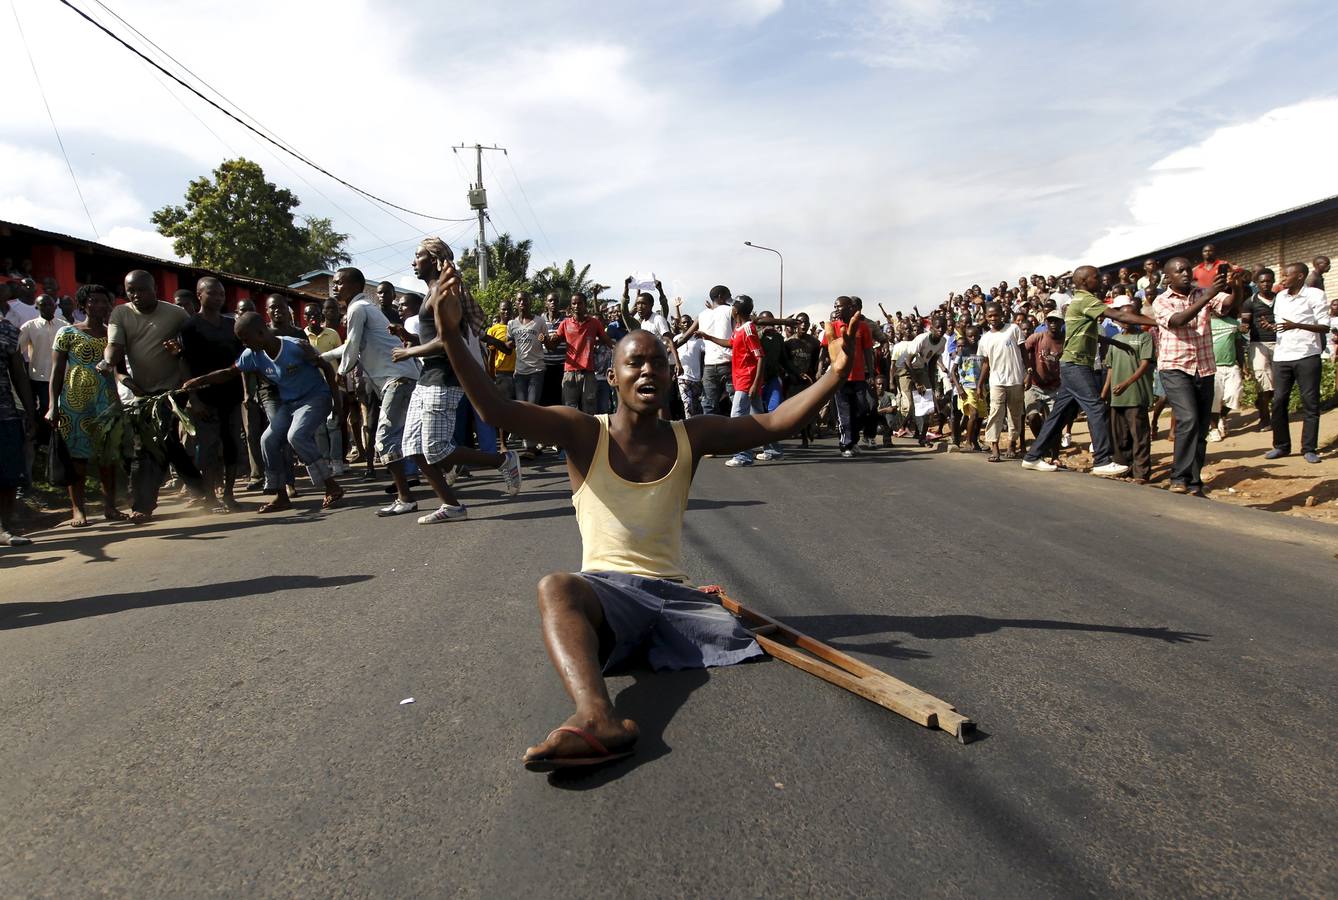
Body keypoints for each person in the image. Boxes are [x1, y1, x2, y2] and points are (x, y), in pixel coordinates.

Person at [424, 255, 864, 770]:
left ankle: (606, 702)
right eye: (635, 362)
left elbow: (771, 425)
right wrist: (452, 336)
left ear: (671, 374)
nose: (648, 370)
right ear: (613, 378)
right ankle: (595, 716)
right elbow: (496, 412)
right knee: (556, 587)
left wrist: (836, 374)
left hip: (677, 603)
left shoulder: (691, 436)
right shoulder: (583, 431)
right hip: (610, 598)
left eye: (659, 362)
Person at [389, 237, 522, 523]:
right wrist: (409, 338)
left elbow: (448, 340)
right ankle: (451, 506)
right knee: (413, 449)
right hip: (428, 378)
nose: (413, 262)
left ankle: (503, 460)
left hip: (445, 380)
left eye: (418, 256)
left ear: (434, 260)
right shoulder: (430, 293)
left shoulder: (443, 293)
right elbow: (431, 336)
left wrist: (409, 351)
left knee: (437, 449)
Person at [181, 312, 345, 512]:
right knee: (268, 440)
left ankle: (331, 486)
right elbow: (229, 373)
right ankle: (280, 496)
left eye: (245, 339)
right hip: (289, 403)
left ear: (260, 332)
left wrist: (337, 404)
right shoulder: (252, 354)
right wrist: (199, 381)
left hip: (315, 398)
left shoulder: (295, 346)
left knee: (296, 436)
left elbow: (327, 368)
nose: (244, 344)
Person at [1021, 265, 1154, 477]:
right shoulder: (1086, 299)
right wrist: (1159, 321)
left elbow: (1087, 333)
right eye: (1096, 277)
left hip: (1071, 365)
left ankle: (1032, 456)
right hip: (1076, 365)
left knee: (1058, 415)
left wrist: (1117, 344)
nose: (1101, 280)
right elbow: (1121, 316)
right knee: (1096, 408)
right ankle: (1102, 460)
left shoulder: (1081, 301)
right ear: (1084, 280)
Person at [101, 269, 202, 522]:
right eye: (130, 291)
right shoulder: (121, 313)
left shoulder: (175, 313)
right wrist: (110, 365)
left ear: (154, 288)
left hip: (173, 389)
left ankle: (143, 505)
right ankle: (201, 489)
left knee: (156, 442)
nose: (135, 295)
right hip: (142, 392)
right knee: (163, 444)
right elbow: (114, 349)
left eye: (141, 289)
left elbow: (192, 343)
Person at [329, 267, 422, 516]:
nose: (335, 287)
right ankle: (445, 469)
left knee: (384, 438)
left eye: (339, 283)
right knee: (405, 439)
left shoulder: (358, 309)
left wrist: (340, 373)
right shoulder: (363, 308)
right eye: (334, 283)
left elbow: (351, 350)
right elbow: (350, 346)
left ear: (355, 286)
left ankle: (406, 498)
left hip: (397, 379)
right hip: (400, 378)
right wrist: (320, 357)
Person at [1151, 258, 1240, 494]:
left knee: (1200, 426)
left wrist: (1236, 286)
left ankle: (1193, 479)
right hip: (1175, 367)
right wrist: (1208, 296)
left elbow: (1228, 305)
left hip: (1205, 367)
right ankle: (1178, 477)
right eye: (1179, 270)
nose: (1185, 273)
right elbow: (1179, 321)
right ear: (1168, 277)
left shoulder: (1203, 292)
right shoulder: (1161, 301)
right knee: (1188, 419)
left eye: (1188, 269)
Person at [46, 285, 124, 526]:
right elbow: (57, 372)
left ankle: (110, 506)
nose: (101, 305)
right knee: (77, 459)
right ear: (83, 305)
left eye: (105, 301)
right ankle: (78, 510)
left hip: (106, 401)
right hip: (73, 404)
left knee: (107, 457)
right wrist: (52, 405)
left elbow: (119, 371)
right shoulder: (67, 332)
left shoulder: (114, 335)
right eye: (95, 301)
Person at [177, 277, 244, 512]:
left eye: (221, 295)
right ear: (199, 295)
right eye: (212, 293)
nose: (218, 298)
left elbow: (241, 361)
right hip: (204, 399)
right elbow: (184, 364)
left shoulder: (231, 325)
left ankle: (229, 493)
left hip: (232, 395)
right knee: (208, 448)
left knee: (231, 445)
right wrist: (193, 398)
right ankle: (210, 497)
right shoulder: (190, 327)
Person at [1266, 262, 1331, 464]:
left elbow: (1324, 327)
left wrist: (1296, 325)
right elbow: (1281, 326)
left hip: (1307, 355)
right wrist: (1270, 327)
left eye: (1286, 275)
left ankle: (1309, 448)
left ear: (1300, 276)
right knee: (1278, 402)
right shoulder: (1280, 297)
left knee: (1310, 403)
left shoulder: (1315, 295)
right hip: (1283, 356)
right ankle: (1281, 446)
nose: (1282, 279)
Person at [1100, 303, 1155, 484]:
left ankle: (1141, 473)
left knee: (1139, 436)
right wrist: (1105, 392)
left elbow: (1145, 364)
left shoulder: (1144, 337)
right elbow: (1110, 368)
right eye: (1123, 318)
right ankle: (1124, 468)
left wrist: (1126, 383)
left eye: (1130, 317)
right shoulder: (1115, 339)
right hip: (1117, 397)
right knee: (1120, 436)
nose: (1126, 321)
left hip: (1135, 395)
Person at [0, 309, 36, 546]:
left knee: (8, 475)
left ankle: (5, 528)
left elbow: (19, 375)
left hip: (4, 414)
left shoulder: (6, 330)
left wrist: (30, 411)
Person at [545, 292, 613, 414]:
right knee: (569, 409)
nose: (576, 306)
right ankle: (572, 433)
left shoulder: (594, 323)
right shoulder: (565, 324)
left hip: (588, 373)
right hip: (570, 373)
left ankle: (589, 433)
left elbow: (608, 342)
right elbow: (552, 347)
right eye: (574, 303)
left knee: (589, 409)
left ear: (585, 305)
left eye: (579, 303)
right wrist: (545, 340)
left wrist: (624, 349)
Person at [17, 293, 67, 454]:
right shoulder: (29, 326)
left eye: (49, 304)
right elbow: (18, 350)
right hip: (38, 376)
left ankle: (55, 441)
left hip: (61, 376)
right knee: (43, 407)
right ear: (37, 307)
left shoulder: (64, 326)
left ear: (55, 306)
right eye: (42, 305)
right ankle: (43, 441)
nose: (46, 307)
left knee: (58, 407)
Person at [977, 302, 1026, 461]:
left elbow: (1024, 353)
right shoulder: (985, 338)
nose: (993, 318)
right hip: (996, 381)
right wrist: (980, 384)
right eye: (990, 316)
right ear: (986, 317)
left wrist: (1029, 373)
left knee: (1015, 414)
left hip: (1016, 379)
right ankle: (995, 446)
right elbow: (986, 363)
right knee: (995, 412)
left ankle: (1012, 443)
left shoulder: (1013, 329)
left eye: (996, 315)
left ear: (1001, 314)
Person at [507, 290, 548, 458]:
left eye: (525, 300)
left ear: (530, 302)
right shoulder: (512, 324)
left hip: (536, 370)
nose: (522, 302)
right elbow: (510, 344)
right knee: (522, 409)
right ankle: (535, 442)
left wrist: (545, 340)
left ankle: (530, 447)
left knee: (532, 407)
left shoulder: (539, 321)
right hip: (520, 372)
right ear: (516, 304)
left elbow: (548, 343)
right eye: (519, 300)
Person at [1242, 268, 1278, 431]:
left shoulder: (1281, 299)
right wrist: (1243, 327)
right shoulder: (1250, 302)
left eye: (1269, 281)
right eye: (1262, 281)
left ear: (1273, 282)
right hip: (1259, 345)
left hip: (1281, 344)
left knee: (1277, 384)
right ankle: (1265, 419)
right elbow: (1245, 323)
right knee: (1263, 382)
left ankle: (1266, 408)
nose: (1266, 284)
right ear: (1256, 284)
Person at [1207, 305, 1245, 442]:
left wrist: (1243, 364)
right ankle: (1213, 428)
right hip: (1212, 367)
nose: (1222, 310)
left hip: (1231, 365)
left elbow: (1238, 345)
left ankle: (1222, 416)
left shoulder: (1234, 323)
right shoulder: (1206, 323)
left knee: (1234, 395)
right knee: (1214, 400)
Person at [698, 285, 735, 415]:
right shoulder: (730, 310)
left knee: (709, 405)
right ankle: (740, 432)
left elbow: (685, 337)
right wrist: (784, 322)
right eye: (728, 295)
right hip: (728, 364)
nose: (730, 298)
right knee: (736, 402)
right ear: (720, 296)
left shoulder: (701, 315)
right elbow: (754, 320)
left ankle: (711, 433)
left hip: (709, 366)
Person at [948, 324, 984, 453]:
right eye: (970, 336)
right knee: (973, 414)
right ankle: (967, 441)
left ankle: (974, 440)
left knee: (980, 416)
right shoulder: (963, 352)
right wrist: (959, 388)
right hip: (967, 387)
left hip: (981, 387)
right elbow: (953, 371)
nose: (973, 338)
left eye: (975, 335)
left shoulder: (982, 350)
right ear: (966, 337)